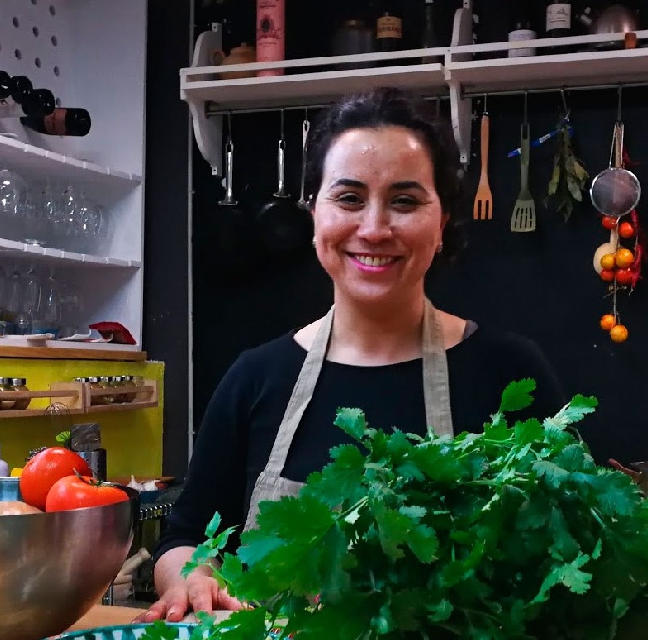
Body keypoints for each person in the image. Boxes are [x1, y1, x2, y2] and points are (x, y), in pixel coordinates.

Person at [134, 86, 566, 624]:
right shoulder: (256, 377)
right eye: (349, 198)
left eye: (405, 201)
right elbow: (184, 537)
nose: (374, 228)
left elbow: (566, 553)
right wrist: (191, 576)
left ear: (442, 220)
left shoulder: (508, 372)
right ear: (315, 212)